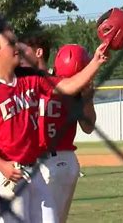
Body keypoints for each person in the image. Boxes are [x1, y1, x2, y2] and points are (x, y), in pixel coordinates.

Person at [0, 21, 108, 223]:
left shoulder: (30, 76)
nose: (17, 47)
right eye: (11, 43)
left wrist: (95, 61)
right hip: (7, 172)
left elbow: (67, 86)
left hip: (34, 169)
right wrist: (2, 165)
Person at [40, 44, 97, 223]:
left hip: (42, 162)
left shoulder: (39, 83)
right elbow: (88, 127)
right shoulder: (77, 92)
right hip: (68, 163)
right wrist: (87, 97)